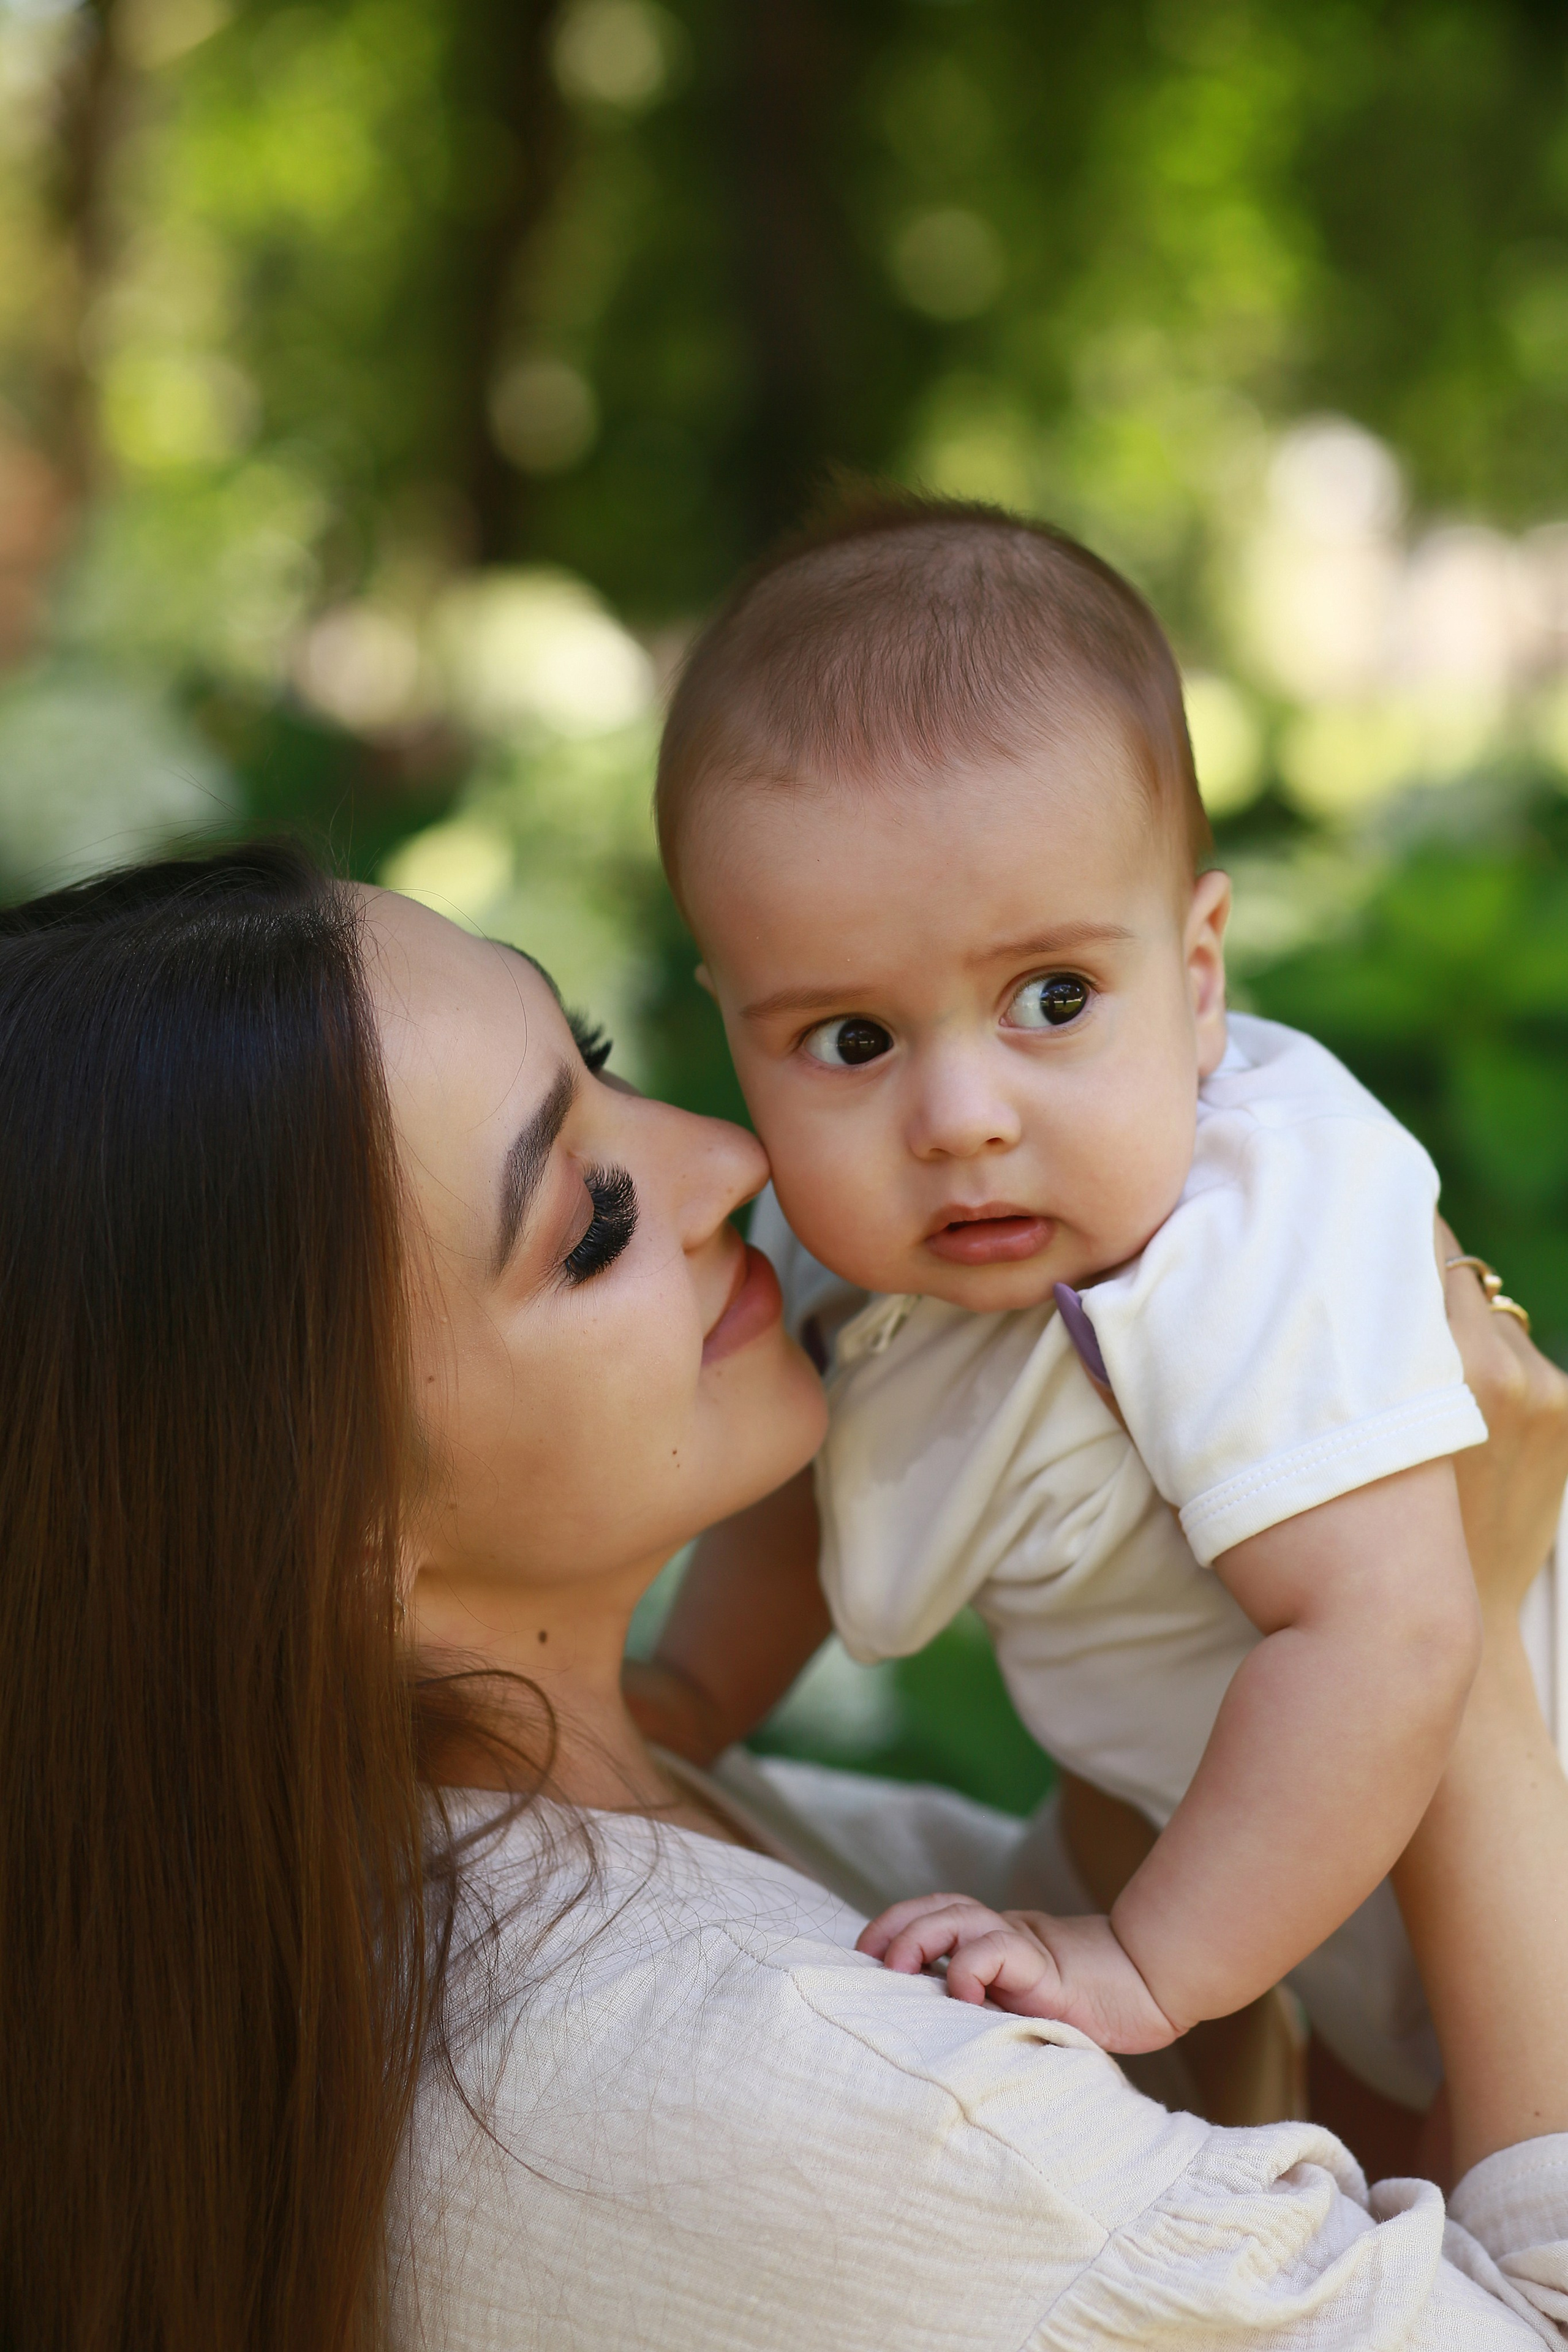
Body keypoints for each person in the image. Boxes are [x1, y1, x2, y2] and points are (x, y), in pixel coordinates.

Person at [5, 845, 1568, 2352]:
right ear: (319, 1530)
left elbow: (1240, 2064)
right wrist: (1452, 1630)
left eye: (601, 1057)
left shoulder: (490, 1874)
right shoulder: (765, 2089)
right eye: (589, 1224)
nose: (728, 1158)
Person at [635, 489, 1487, 2109]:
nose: (958, 1117)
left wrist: (1142, 1964)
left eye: (1052, 999)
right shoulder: (870, 1246)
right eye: (852, 1040)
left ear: (1199, 972)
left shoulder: (1253, 1228)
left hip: (1501, 1860)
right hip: (1311, 1903)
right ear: (737, 1027)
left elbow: (1383, 1633)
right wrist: (688, 1702)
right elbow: (802, 1476)